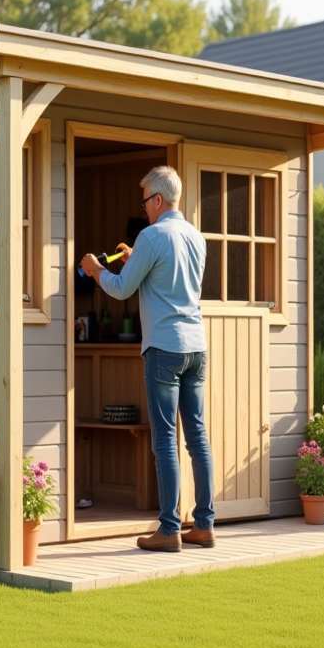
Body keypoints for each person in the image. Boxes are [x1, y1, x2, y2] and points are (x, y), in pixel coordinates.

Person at [80, 166, 215, 552]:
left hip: (164, 349)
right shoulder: (195, 236)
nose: (144, 209)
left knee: (165, 438)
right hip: (196, 346)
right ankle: (204, 523)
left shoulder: (152, 236)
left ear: (157, 199)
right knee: (198, 437)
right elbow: (168, 278)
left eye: (145, 201)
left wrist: (95, 271)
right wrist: (135, 258)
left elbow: (121, 290)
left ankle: (170, 528)